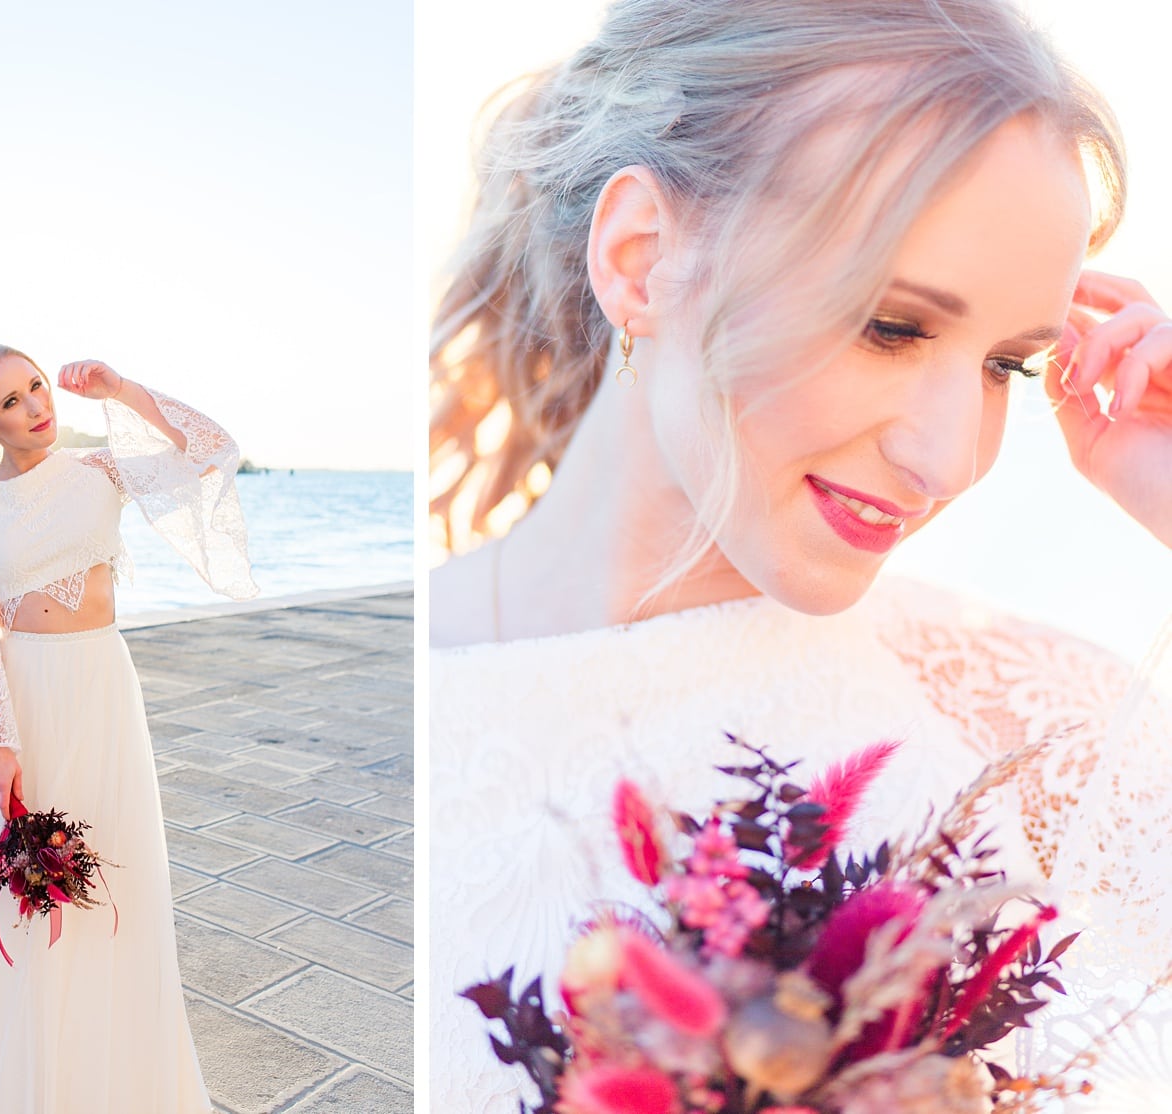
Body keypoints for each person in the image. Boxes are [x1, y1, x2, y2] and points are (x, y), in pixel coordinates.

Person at [427, 1, 1172, 1110]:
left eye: (1004, 365)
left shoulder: (1034, 726)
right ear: (643, 261)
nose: (947, 458)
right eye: (891, 325)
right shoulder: (423, 689)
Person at [0, 345, 257, 1113]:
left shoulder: (101, 471)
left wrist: (121, 391)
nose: (36, 405)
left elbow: (213, 448)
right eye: (11, 401)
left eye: (36, 386)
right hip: (22, 708)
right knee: (19, 899)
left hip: (101, 693)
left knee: (110, 884)